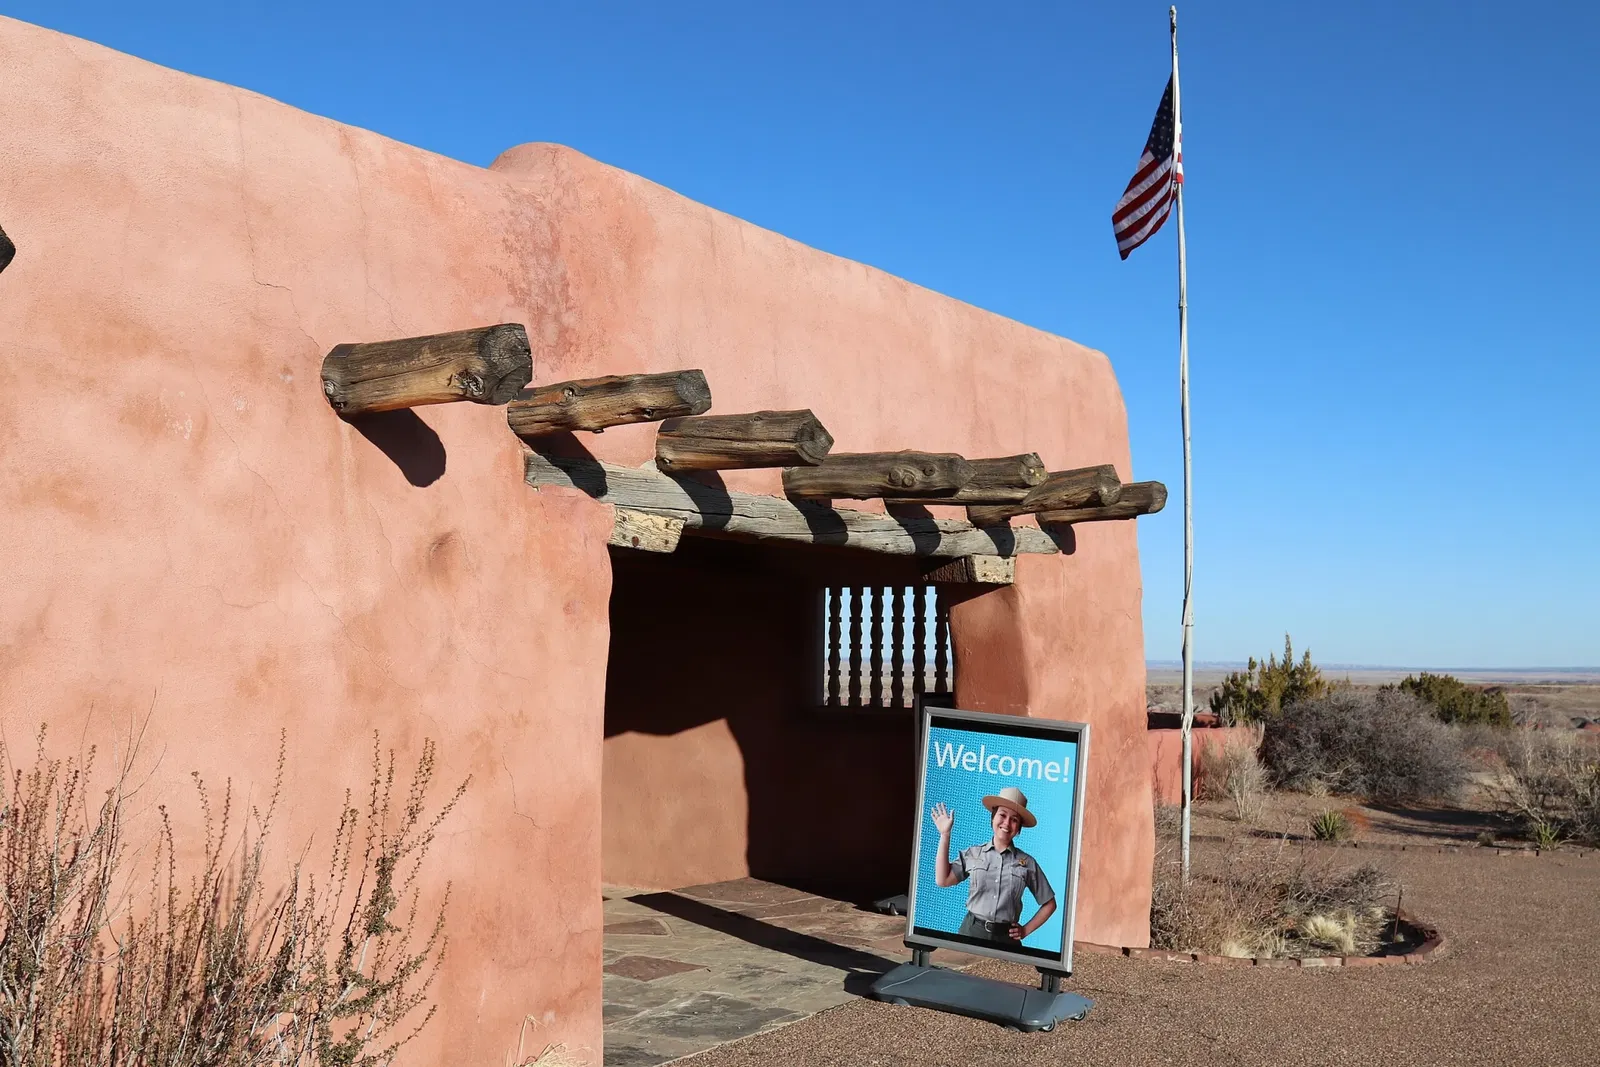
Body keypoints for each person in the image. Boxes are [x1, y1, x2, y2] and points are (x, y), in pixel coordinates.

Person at [930, 785, 1056, 946]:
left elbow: (1050, 904)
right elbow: (943, 880)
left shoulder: (1028, 863)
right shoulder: (973, 853)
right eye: (1002, 815)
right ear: (993, 818)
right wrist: (945, 835)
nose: (1007, 823)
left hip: (1007, 940)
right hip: (971, 931)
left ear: (1018, 829)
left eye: (1014, 819)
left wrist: (1025, 930)